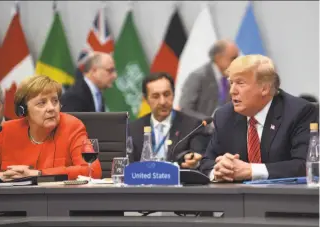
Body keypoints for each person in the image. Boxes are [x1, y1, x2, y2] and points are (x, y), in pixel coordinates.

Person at [197, 54, 318, 182]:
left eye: (240, 83)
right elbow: (207, 162)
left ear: (264, 88)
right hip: (236, 199)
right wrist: (219, 171)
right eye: (231, 83)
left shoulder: (299, 112)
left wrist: (251, 171)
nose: (232, 91)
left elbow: (305, 165)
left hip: (285, 198)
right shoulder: (224, 115)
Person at [0, 75, 102, 181]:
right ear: (23, 110)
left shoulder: (73, 127)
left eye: (55, 101)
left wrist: (38, 174)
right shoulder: (8, 131)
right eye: (42, 103)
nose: (51, 108)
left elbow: (93, 170)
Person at [129, 72, 210, 168]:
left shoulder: (193, 126)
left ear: (174, 94)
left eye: (167, 94)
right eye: (156, 96)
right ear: (145, 99)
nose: (162, 102)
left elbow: (199, 157)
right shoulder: (133, 129)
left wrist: (193, 161)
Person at [178, 39, 239, 120]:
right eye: (233, 58)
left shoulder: (232, 78)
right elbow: (185, 110)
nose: (237, 62)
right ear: (218, 57)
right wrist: (210, 122)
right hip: (200, 130)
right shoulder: (198, 77)